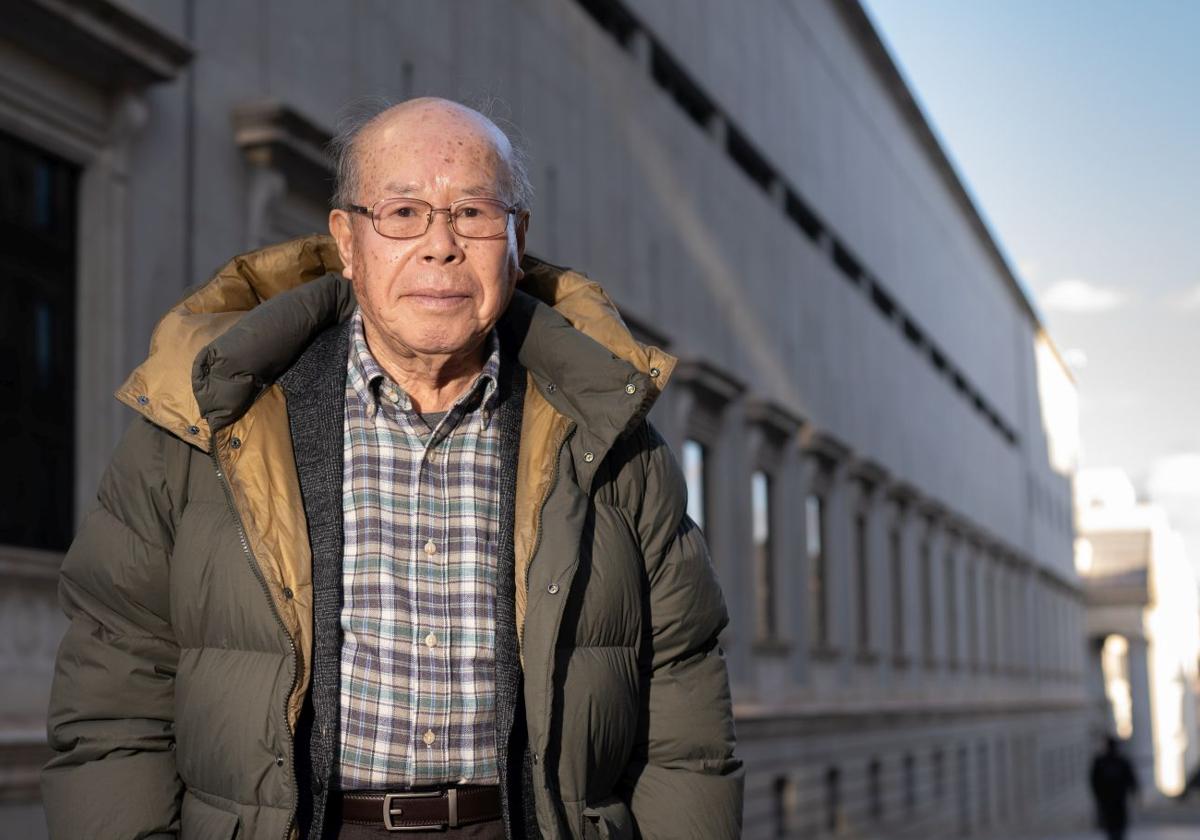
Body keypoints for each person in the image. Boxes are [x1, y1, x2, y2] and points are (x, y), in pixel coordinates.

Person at [41, 98, 743, 839]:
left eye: (473, 212)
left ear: (516, 237)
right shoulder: (205, 421)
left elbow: (684, 717)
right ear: (347, 241)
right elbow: (114, 694)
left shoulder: (609, 436)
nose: (440, 245)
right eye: (402, 213)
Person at [1089, 736, 1139, 840]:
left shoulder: (1107, 762)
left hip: (1113, 801)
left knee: (1114, 828)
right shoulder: (1118, 761)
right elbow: (1131, 780)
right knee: (1115, 828)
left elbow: (1094, 781)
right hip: (1112, 801)